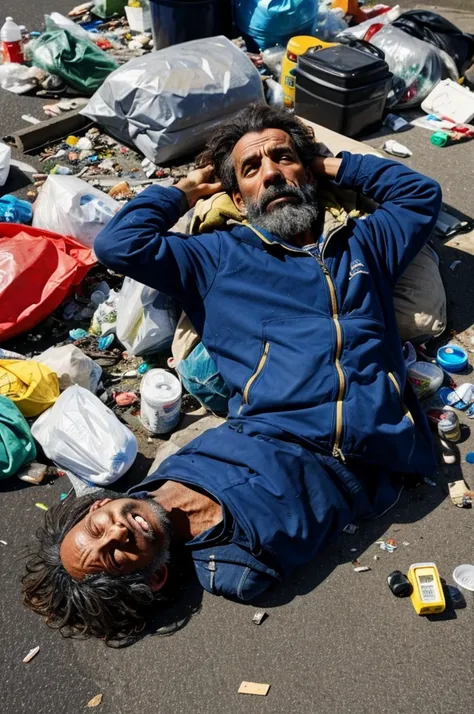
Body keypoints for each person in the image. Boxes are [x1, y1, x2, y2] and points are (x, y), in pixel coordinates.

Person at [23, 104, 442, 645]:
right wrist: (186, 190)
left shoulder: (362, 243)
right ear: (239, 197)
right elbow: (118, 245)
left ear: (307, 172)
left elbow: (421, 195)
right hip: (289, 428)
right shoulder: (216, 255)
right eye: (251, 169)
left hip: (371, 428)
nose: (270, 173)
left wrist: (328, 163)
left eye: (282, 159)